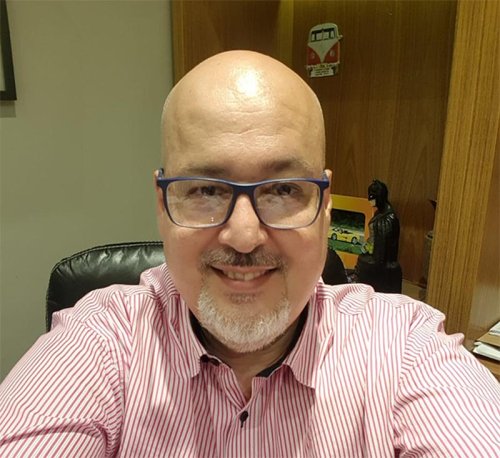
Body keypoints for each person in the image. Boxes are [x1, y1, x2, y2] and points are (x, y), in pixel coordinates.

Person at [0, 51, 499, 457]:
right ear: (162, 203)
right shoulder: (101, 340)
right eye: (205, 189)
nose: (243, 236)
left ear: (325, 205)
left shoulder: (404, 347)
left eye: (283, 189)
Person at [356, 179, 403, 293]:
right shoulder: (379, 214)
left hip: (382, 263)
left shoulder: (388, 219)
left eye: (372, 196)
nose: (369, 199)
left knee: (363, 263)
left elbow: (381, 252)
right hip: (375, 254)